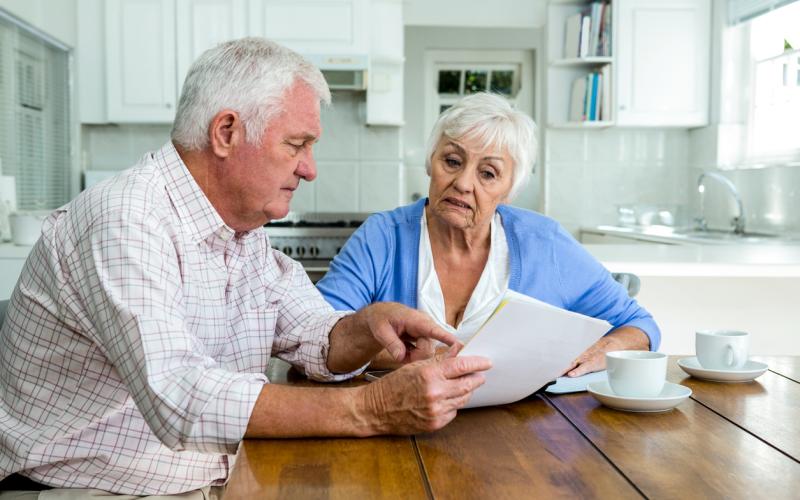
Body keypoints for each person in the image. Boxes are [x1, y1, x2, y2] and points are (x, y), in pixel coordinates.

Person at [0, 38, 492, 499]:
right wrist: (373, 409)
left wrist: (367, 327)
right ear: (227, 132)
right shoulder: (125, 219)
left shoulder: (241, 230)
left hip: (204, 475)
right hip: (88, 488)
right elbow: (179, 398)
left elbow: (314, 337)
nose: (310, 169)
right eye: (296, 145)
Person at [317, 92, 660, 375]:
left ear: (510, 189)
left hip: (521, 435)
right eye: (452, 161)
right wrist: (419, 360)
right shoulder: (383, 236)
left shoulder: (544, 242)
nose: (463, 184)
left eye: (488, 173)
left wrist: (597, 352)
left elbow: (639, 326)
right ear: (430, 161)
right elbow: (319, 337)